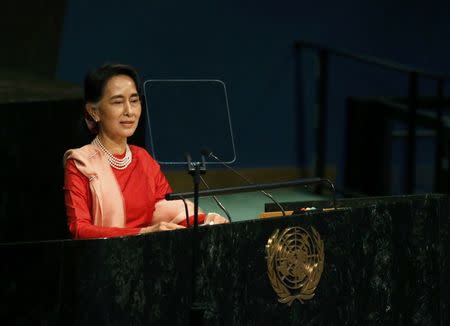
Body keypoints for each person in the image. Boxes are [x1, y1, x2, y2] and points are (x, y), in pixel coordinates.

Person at [64, 63, 228, 239]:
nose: (129, 111)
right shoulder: (80, 163)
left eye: (134, 101)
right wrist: (142, 233)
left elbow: (169, 208)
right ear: (94, 111)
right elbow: (79, 229)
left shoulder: (143, 159)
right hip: (104, 259)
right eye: (118, 102)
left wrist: (204, 222)